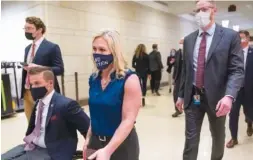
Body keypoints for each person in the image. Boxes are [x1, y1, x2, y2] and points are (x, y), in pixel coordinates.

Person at [176, 0, 244, 160]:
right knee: (190, 140)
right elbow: (186, 70)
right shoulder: (189, 39)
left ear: (214, 10)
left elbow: (237, 70)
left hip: (218, 99)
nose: (200, 14)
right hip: (193, 97)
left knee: (218, 137)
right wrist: (180, 95)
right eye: (197, 11)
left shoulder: (230, 37)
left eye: (204, 9)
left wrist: (229, 96)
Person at [1, 67, 90, 160]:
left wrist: (91, 150)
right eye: (32, 84)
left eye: (37, 83)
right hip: (31, 146)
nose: (33, 88)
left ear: (50, 83)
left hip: (52, 152)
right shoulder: (38, 103)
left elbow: (88, 128)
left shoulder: (66, 105)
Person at [84, 30, 142, 160]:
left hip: (121, 144)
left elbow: (128, 120)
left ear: (114, 52)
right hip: (95, 142)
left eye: (102, 50)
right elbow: (95, 114)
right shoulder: (93, 79)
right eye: (94, 49)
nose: (97, 53)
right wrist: (88, 138)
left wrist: (107, 150)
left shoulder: (129, 79)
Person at [21, 16, 64, 122]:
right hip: (27, 92)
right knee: (31, 123)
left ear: (40, 30)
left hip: (44, 91)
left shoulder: (52, 47)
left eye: (29, 28)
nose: (26, 31)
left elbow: (59, 69)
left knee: (46, 123)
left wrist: (39, 68)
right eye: (25, 29)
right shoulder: (27, 49)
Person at [226, 30, 253, 148]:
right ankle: (234, 138)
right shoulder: (232, 53)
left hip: (250, 90)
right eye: (239, 38)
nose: (241, 40)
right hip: (236, 90)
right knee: (233, 114)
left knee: (250, 112)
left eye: (243, 38)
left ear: (248, 39)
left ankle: (249, 124)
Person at [172, 39, 184, 118]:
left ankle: (197, 109)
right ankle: (178, 109)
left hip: (191, 77)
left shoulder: (193, 51)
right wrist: (174, 77)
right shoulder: (178, 53)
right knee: (175, 93)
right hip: (179, 76)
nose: (181, 43)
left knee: (195, 94)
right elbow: (176, 66)